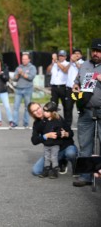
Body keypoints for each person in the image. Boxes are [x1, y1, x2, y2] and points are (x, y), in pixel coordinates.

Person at [72, 38, 101, 187]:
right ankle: (85, 176)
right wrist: (76, 86)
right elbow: (77, 81)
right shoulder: (84, 65)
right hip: (86, 110)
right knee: (85, 144)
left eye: (99, 51)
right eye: (94, 50)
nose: (96, 53)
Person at [28, 102, 77, 176]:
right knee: (36, 171)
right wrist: (46, 136)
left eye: (38, 108)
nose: (38, 111)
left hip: (65, 147)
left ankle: (74, 166)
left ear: (41, 107)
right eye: (34, 111)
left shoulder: (56, 116)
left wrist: (66, 134)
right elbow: (34, 140)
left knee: (71, 153)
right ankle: (59, 162)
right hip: (51, 151)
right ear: (32, 114)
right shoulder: (37, 124)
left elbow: (71, 133)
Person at [37, 102, 67, 179]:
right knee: (46, 157)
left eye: (47, 112)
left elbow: (60, 132)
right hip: (47, 144)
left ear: (52, 112)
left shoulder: (57, 121)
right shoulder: (44, 121)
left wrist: (57, 134)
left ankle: (54, 171)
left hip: (55, 144)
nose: (44, 113)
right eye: (44, 111)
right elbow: (40, 130)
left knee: (53, 157)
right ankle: (46, 170)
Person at [11, 53, 37, 128]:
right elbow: (14, 78)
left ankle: (26, 123)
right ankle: (15, 123)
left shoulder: (32, 67)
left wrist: (22, 73)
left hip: (28, 89)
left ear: (29, 59)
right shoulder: (19, 67)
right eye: (23, 59)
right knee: (16, 107)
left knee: (27, 107)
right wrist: (18, 74)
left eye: (25, 59)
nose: (24, 60)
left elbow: (30, 77)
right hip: (18, 89)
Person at [46, 50, 69, 122]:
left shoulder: (67, 64)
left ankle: (66, 122)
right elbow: (48, 70)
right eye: (60, 56)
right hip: (54, 87)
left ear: (65, 57)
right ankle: (54, 121)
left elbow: (65, 70)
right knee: (53, 105)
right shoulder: (55, 64)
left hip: (63, 87)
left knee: (66, 106)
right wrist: (53, 63)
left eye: (62, 56)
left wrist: (57, 61)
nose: (61, 57)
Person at [65, 49, 84, 126]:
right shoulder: (70, 63)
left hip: (78, 89)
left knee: (80, 108)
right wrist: (71, 62)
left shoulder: (83, 63)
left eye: (78, 54)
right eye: (75, 54)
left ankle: (81, 123)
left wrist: (75, 62)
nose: (76, 55)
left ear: (81, 55)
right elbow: (64, 70)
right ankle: (68, 125)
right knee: (68, 108)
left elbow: (82, 70)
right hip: (69, 89)